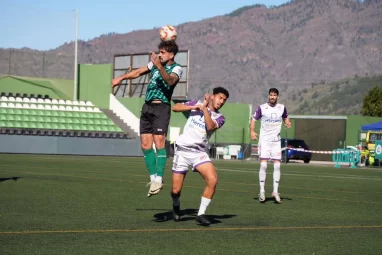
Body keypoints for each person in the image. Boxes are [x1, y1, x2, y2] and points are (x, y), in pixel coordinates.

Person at [112, 40, 183, 197]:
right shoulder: (154, 65)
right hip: (147, 107)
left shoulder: (176, 68)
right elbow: (137, 72)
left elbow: (170, 81)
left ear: (171, 55)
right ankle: (153, 180)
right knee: (145, 145)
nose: (159, 54)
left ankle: (159, 178)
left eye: (163, 52)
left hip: (161, 108)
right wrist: (121, 78)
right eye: (159, 52)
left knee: (159, 143)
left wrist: (158, 65)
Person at [170, 87, 229, 226]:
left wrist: (204, 109)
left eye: (224, 100)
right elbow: (176, 108)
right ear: (213, 96)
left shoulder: (220, 118)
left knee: (213, 179)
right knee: (175, 191)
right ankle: (176, 204)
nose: (221, 102)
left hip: (199, 153)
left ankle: (201, 214)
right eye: (220, 98)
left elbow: (209, 126)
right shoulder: (196, 104)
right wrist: (195, 106)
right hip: (182, 151)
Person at [250, 88, 291, 204]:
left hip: (276, 142)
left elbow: (286, 118)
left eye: (275, 95)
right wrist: (252, 131)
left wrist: (287, 122)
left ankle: (275, 192)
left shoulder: (282, 108)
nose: (272, 97)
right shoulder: (262, 108)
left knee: (277, 167)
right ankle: (262, 191)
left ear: (277, 96)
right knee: (263, 165)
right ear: (268, 96)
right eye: (271, 95)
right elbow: (253, 120)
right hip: (264, 141)